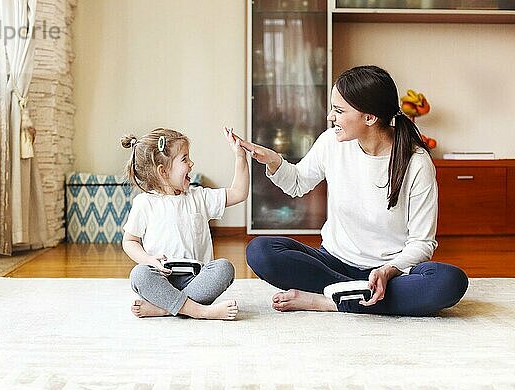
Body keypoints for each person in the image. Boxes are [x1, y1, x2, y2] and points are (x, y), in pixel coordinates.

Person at [238, 65, 469, 316]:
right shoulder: (331, 142)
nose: (330, 117)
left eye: (338, 110)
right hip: (334, 262)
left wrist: (388, 270)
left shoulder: (416, 162)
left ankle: (327, 301)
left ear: (369, 117)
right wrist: (273, 160)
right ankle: (360, 297)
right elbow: (297, 183)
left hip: (390, 274)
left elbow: (422, 244)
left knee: (450, 282)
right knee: (261, 252)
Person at [121, 127, 248, 320]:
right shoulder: (144, 203)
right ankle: (200, 311)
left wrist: (240, 157)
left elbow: (239, 192)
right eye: (184, 159)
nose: (191, 163)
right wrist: (148, 260)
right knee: (139, 275)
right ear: (163, 171)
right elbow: (130, 241)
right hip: (161, 279)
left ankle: (165, 308)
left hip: (197, 280)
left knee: (224, 268)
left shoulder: (199, 196)